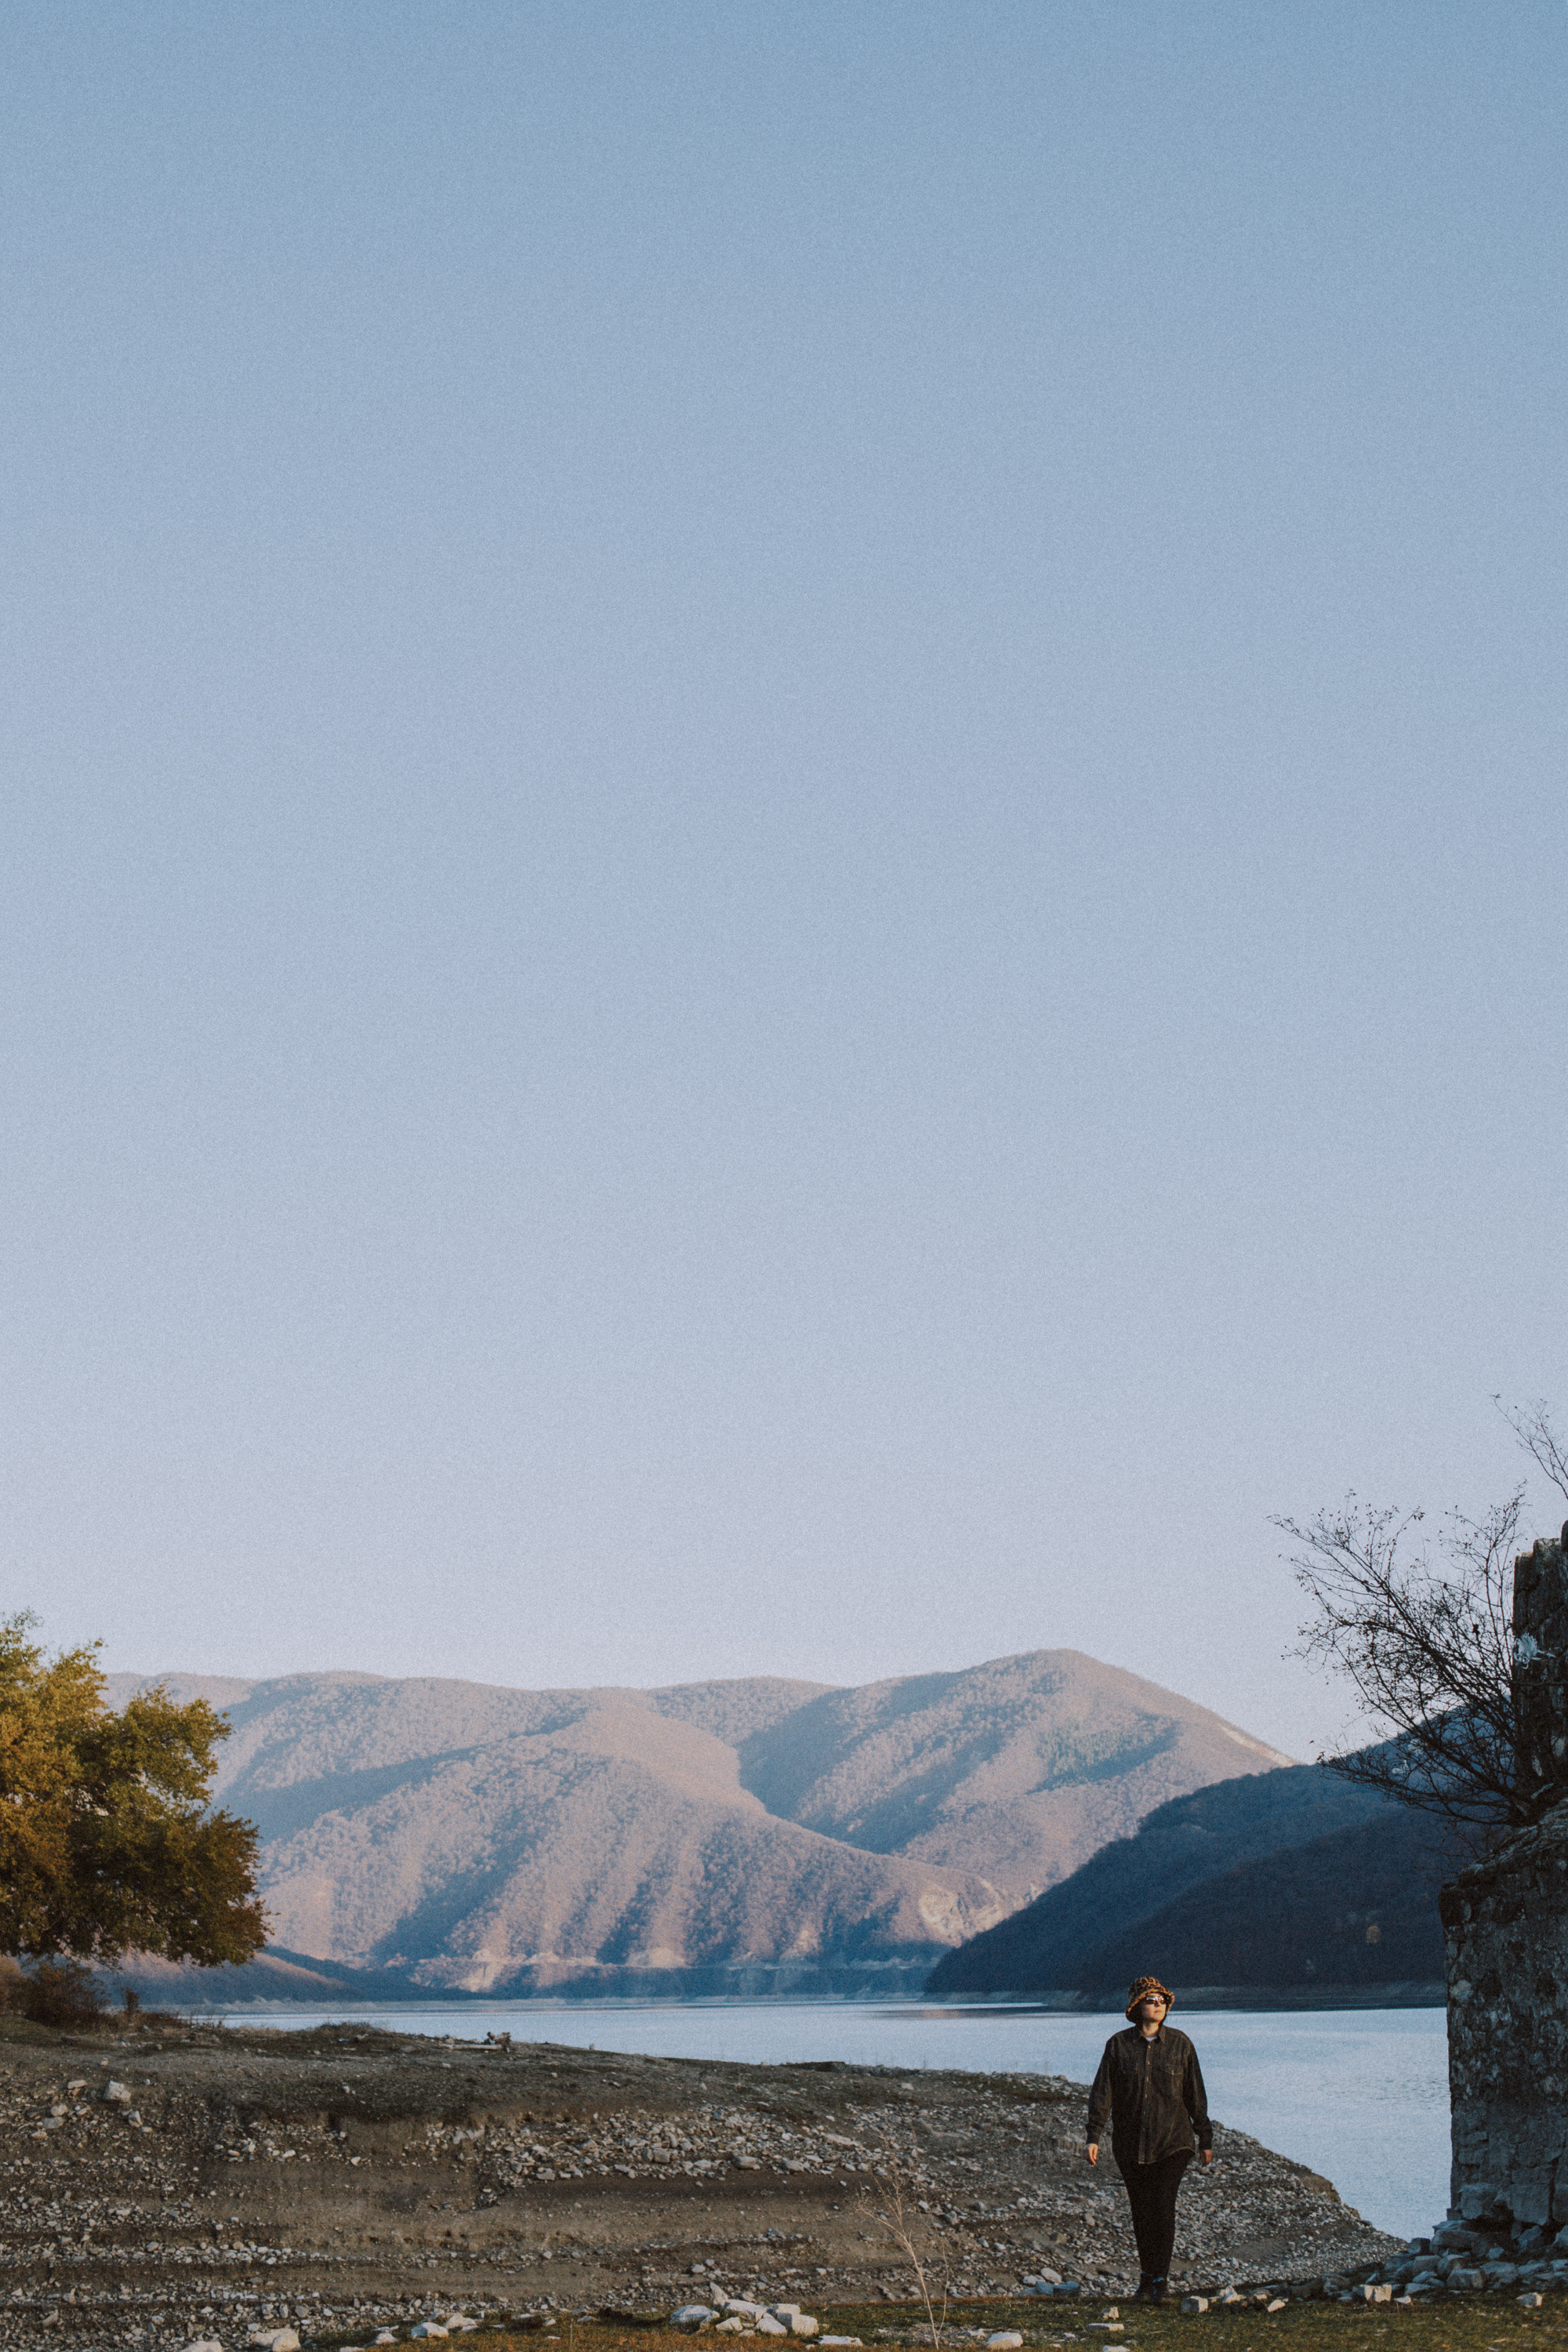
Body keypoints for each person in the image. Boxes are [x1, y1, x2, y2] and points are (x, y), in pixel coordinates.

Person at [1086, 1974, 1212, 2304]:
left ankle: (1161, 2282)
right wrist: (1093, 2134)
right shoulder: (1117, 2046)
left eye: (1162, 2001)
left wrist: (1205, 2137)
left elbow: (1195, 2094)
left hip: (1174, 2142)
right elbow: (1103, 2093)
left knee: (1163, 2206)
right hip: (1130, 2144)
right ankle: (1146, 2279)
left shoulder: (1181, 2044)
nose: (1157, 2005)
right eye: (1151, 2000)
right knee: (1141, 2211)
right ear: (1136, 2006)